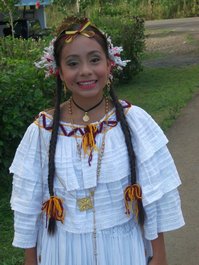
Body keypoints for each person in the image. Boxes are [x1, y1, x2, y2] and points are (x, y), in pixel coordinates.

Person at [10, 17, 185, 265]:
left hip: (123, 250)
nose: (85, 71)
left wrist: (159, 255)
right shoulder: (41, 131)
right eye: (73, 63)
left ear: (110, 65)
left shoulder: (134, 122)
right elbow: (28, 204)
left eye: (95, 59)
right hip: (62, 252)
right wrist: (31, 260)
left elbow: (153, 196)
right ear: (58, 72)